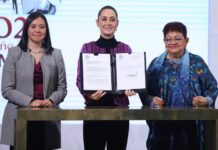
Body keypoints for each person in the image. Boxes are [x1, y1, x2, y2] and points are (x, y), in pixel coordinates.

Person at [139, 21, 218, 150]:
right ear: (164, 41)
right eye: (168, 39)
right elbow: (144, 91)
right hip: (162, 126)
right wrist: (152, 100)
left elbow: (212, 87)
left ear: (186, 40)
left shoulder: (197, 62)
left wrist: (206, 100)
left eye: (177, 38)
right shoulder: (156, 65)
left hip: (191, 127)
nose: (173, 42)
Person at [0, 12, 67, 150]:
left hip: (47, 119)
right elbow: (7, 89)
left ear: (46, 30)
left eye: (42, 27)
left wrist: (52, 100)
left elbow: (62, 88)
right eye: (33, 26)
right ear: (26, 29)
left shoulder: (56, 54)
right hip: (19, 118)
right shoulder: (14, 53)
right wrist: (30, 101)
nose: (38, 30)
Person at [76, 5, 135, 150]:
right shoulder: (87, 48)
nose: (108, 23)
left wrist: (132, 87)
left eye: (112, 19)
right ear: (97, 23)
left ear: (117, 24)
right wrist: (90, 95)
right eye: (104, 19)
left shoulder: (125, 49)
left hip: (120, 113)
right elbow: (80, 79)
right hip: (94, 112)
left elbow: (132, 77)